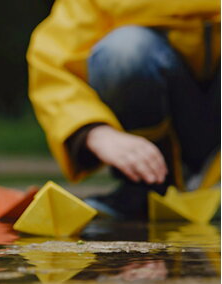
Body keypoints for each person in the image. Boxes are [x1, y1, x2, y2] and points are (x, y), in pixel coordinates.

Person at [27, 0, 220, 219]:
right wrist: (94, 131)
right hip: (160, 140)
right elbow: (52, 61)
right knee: (123, 50)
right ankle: (145, 190)